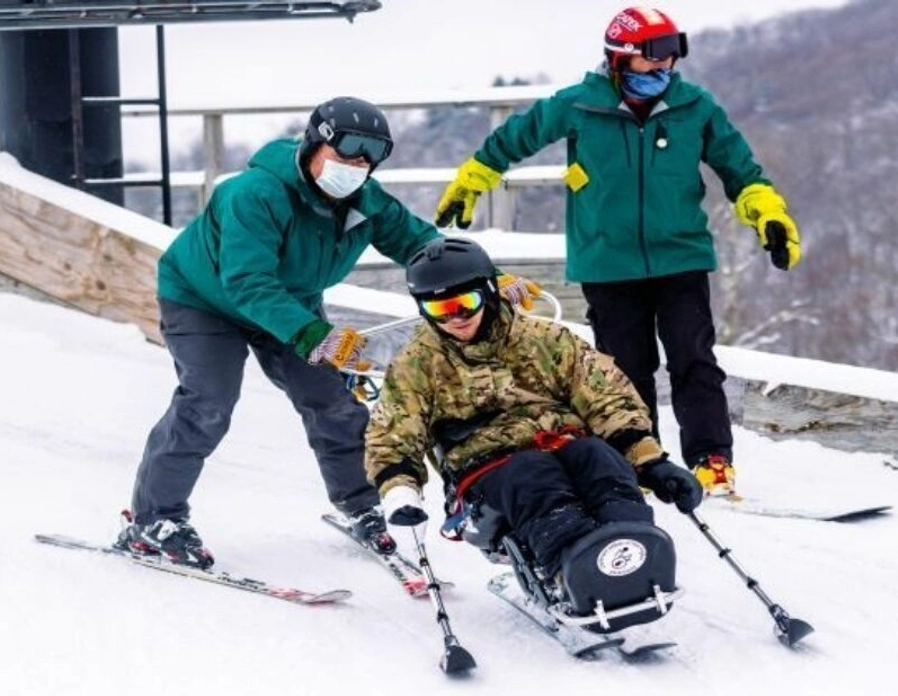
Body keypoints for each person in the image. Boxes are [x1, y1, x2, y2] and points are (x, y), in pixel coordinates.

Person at [433, 7, 802, 498]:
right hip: (607, 262)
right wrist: (472, 181)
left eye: (672, 58)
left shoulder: (696, 106)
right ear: (621, 58)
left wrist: (768, 216)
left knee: (694, 359)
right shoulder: (578, 105)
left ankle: (711, 460)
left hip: (681, 257)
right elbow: (511, 140)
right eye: (655, 59)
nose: (665, 69)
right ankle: (640, 460)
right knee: (625, 367)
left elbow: (742, 172)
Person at [116, 97, 478, 569]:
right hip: (204, 301)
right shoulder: (254, 193)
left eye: (368, 159)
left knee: (331, 399)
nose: (356, 167)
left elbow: (418, 242)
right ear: (313, 144)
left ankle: (360, 503)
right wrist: (315, 336)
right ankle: (154, 519)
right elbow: (246, 281)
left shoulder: (365, 201)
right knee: (208, 401)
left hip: (292, 302)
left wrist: (479, 276)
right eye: (346, 155)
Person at [365, 236, 702, 587]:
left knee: (598, 457)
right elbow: (392, 433)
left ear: (490, 291)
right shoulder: (417, 364)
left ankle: (633, 547)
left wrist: (651, 461)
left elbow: (607, 396)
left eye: (466, 303)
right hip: (487, 469)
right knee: (532, 473)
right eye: (440, 310)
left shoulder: (545, 338)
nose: (456, 318)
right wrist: (399, 490)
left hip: (563, 442)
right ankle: (570, 566)